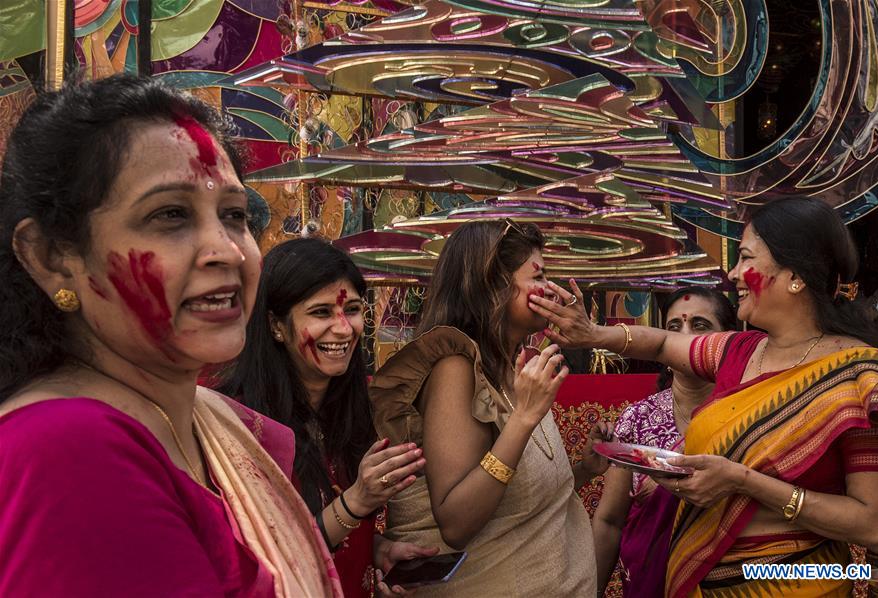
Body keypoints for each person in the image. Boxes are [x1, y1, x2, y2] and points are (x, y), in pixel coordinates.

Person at [0, 75, 340, 596]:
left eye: (234, 215)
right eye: (171, 215)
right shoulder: (68, 454)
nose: (227, 251)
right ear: (52, 257)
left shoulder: (215, 424)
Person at [529, 197, 878, 597]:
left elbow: (876, 525)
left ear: (794, 276)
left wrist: (743, 481)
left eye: (745, 258)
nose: (733, 273)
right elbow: (661, 344)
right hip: (700, 584)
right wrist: (594, 334)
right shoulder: (738, 352)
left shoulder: (857, 376)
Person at [368, 219, 609, 596]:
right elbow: (457, 522)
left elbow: (515, 499)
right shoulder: (455, 370)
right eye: (538, 276)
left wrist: (584, 470)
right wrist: (524, 419)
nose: (550, 288)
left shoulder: (512, 367)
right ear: (494, 286)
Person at [219, 237, 438, 597]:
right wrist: (357, 502)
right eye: (321, 313)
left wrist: (378, 550)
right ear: (276, 325)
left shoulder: (358, 406)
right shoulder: (240, 425)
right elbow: (265, 559)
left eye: (352, 309)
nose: (344, 328)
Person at [593, 286, 737, 596]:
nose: (684, 337)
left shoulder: (747, 414)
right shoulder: (638, 419)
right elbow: (609, 521)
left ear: (728, 341)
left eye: (700, 325)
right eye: (673, 327)